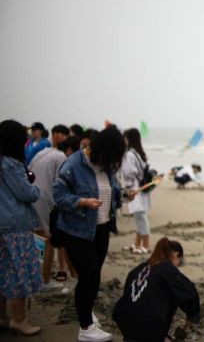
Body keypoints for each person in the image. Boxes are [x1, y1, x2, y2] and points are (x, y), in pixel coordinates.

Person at [53, 126, 126, 342]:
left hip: (102, 228)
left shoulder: (106, 166)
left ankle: (86, 313)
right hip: (77, 230)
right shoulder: (74, 164)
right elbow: (58, 194)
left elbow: (111, 190)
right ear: (103, 149)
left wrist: (124, 194)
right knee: (89, 275)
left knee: (93, 277)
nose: (113, 162)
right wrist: (82, 201)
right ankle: (85, 328)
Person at [0, 119, 43, 335]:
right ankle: (19, 319)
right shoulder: (10, 164)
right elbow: (26, 193)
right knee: (17, 273)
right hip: (14, 226)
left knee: (2, 273)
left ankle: (2, 317)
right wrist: (36, 190)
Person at [113, 237, 200, 342]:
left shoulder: (138, 269)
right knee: (174, 291)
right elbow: (190, 293)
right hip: (149, 325)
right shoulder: (167, 269)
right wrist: (192, 316)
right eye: (179, 262)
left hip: (124, 322)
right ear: (176, 254)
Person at [28, 124, 70, 290]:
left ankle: (35, 278)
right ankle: (44, 281)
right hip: (46, 201)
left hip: (31, 198)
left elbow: (29, 174)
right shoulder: (61, 156)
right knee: (48, 240)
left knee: (37, 239)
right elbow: (61, 184)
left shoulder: (41, 152)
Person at [120, 128, 152, 254]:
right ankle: (137, 243)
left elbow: (129, 173)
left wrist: (126, 189)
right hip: (143, 188)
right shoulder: (140, 153)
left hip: (134, 188)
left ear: (128, 139)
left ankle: (146, 245)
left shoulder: (129, 154)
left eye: (125, 138)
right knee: (139, 216)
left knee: (140, 217)